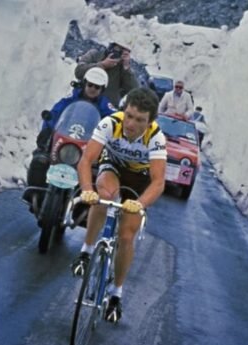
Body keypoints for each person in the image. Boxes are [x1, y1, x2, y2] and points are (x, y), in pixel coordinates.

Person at [71, 87, 167, 323]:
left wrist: (140, 203)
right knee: (104, 195)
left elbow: (158, 182)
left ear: (150, 121)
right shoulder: (110, 123)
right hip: (113, 167)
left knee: (126, 236)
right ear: (125, 111)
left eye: (140, 120)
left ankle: (116, 294)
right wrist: (86, 190)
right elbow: (86, 160)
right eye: (130, 115)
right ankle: (87, 251)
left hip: (140, 178)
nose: (132, 124)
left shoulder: (156, 138)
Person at [26, 67, 116, 190]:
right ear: (85, 83)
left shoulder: (106, 105)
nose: (93, 89)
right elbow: (55, 113)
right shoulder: (71, 97)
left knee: (97, 173)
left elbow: (114, 121)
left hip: (88, 144)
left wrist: (110, 137)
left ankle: (86, 202)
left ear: (102, 89)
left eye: (97, 87)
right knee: (40, 159)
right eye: (90, 85)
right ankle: (34, 191)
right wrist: (47, 130)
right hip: (64, 139)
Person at [74, 41, 139, 107]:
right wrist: (102, 65)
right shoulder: (94, 55)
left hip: (106, 107)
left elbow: (134, 91)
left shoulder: (122, 68)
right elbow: (79, 72)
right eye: (118, 49)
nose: (119, 53)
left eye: (124, 52)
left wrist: (126, 68)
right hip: (83, 101)